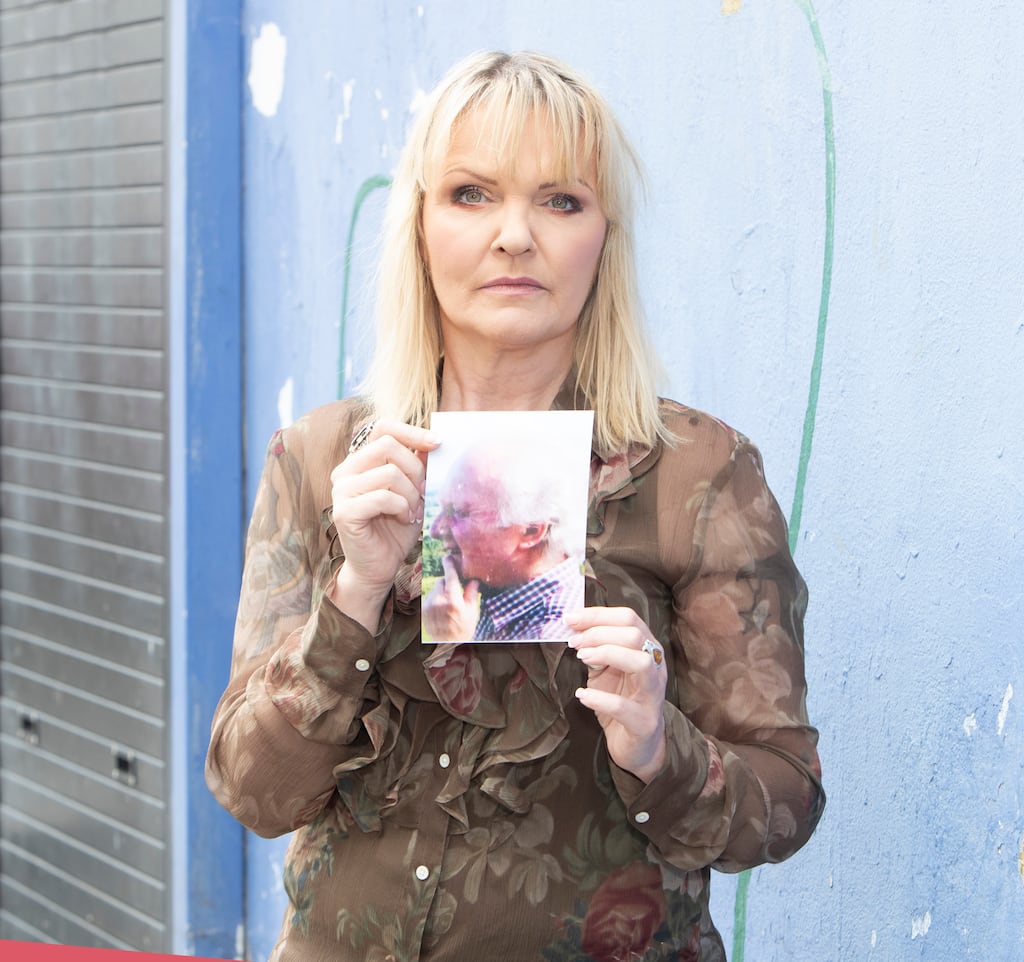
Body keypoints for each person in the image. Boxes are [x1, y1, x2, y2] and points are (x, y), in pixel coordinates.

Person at [206, 50, 825, 962]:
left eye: (560, 200)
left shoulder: (700, 473)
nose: (514, 236)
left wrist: (660, 744)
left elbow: (786, 801)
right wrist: (353, 598)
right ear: (419, 225)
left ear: (603, 237)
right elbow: (254, 793)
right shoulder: (319, 460)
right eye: (470, 193)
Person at [422, 439, 586, 642]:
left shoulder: (554, 632)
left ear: (530, 531)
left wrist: (451, 643)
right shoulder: (500, 600)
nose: (435, 530)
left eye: (458, 512)